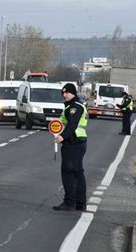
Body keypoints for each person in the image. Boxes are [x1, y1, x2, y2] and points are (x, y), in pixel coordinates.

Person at [53, 83, 88, 212]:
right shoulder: (69, 107)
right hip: (75, 142)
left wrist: (62, 136)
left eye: (67, 92)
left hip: (74, 142)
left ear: (73, 93)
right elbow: (61, 122)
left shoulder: (75, 107)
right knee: (77, 172)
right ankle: (80, 203)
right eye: (63, 93)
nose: (64, 95)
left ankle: (69, 202)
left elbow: (72, 124)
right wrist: (54, 127)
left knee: (68, 172)